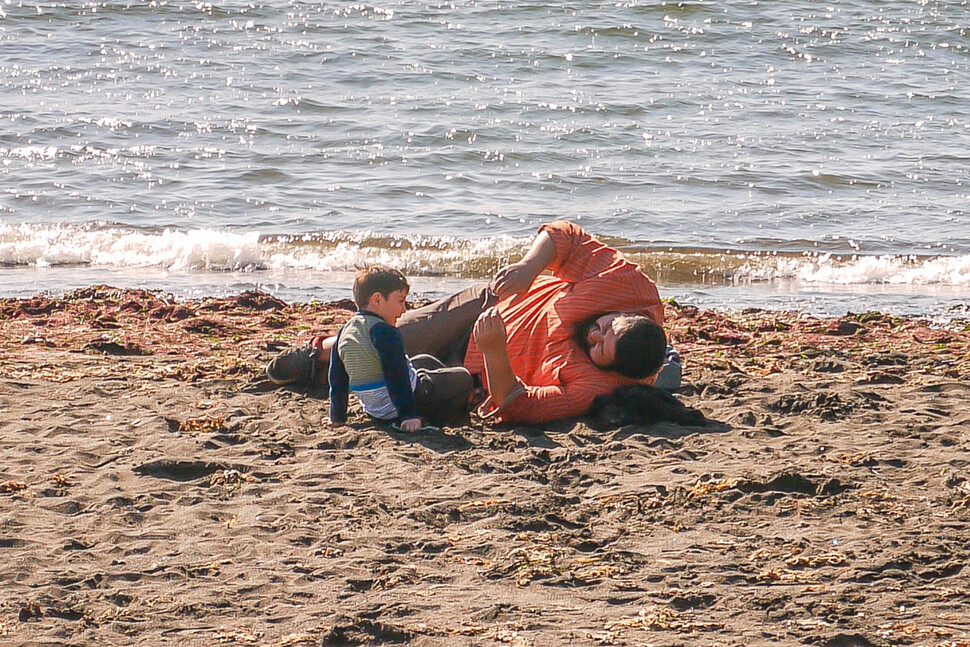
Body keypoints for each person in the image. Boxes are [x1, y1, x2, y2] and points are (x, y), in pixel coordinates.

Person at [267, 220, 680, 425]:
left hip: (478, 371)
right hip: (488, 304)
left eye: (599, 349)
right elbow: (566, 236)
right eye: (605, 327)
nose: (594, 335)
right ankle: (317, 354)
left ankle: (323, 374)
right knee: (388, 334)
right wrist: (528, 268)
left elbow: (519, 405)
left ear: (610, 370)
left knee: (393, 372)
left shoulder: (598, 388)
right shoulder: (629, 286)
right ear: (628, 314)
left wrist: (496, 351)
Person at [324, 266, 473, 431]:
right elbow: (396, 376)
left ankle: (431, 387)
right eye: (400, 301)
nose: (404, 310)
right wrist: (408, 415)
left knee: (425, 360)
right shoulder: (384, 332)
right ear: (377, 300)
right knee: (463, 377)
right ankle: (441, 416)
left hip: (375, 409)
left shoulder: (344, 331)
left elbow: (337, 378)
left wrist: (337, 416)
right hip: (399, 406)